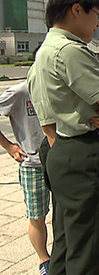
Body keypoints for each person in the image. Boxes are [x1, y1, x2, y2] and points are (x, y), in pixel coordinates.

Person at [26, 0, 99, 274]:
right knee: (89, 248)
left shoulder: (43, 53)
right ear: (77, 10)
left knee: (67, 239)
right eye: (96, 13)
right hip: (85, 150)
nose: (98, 21)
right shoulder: (71, 51)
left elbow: (46, 116)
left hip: (61, 148)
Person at [0, 82, 50, 274]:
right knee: (37, 216)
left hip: (60, 159)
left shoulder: (57, 83)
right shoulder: (20, 92)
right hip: (33, 164)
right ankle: (43, 259)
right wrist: (9, 146)